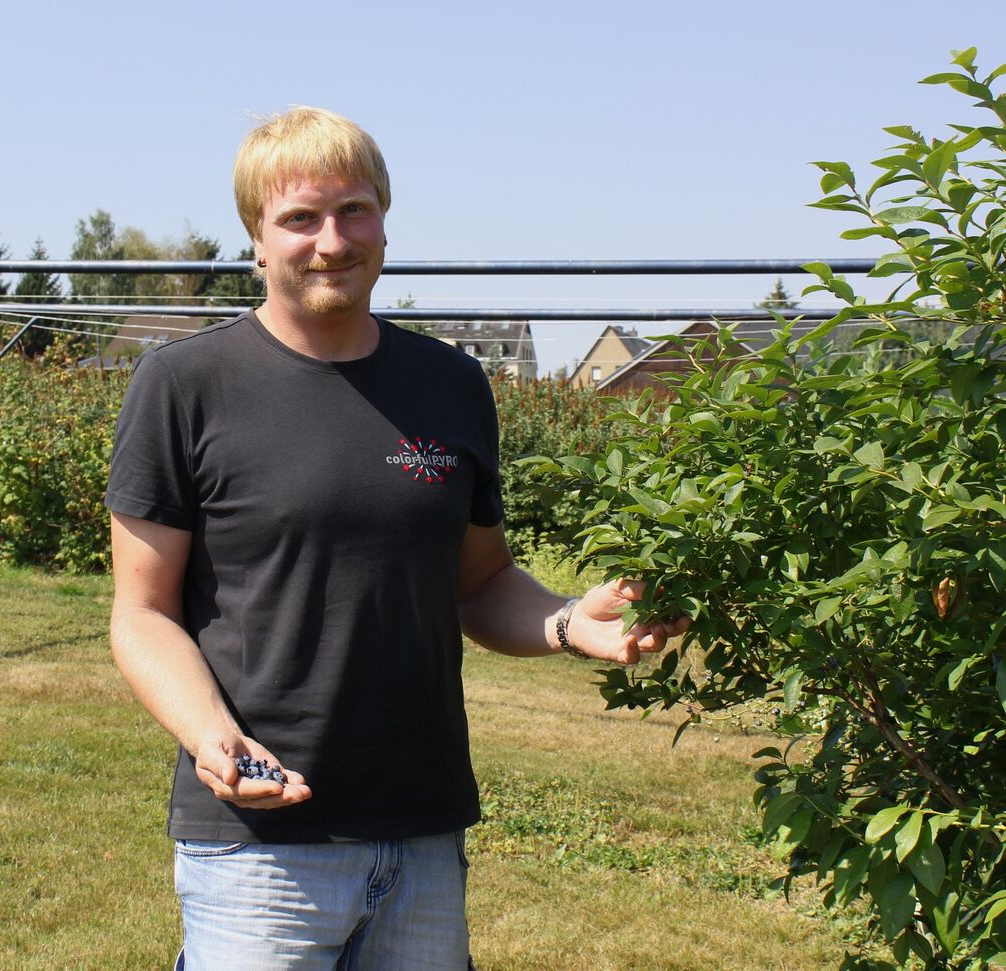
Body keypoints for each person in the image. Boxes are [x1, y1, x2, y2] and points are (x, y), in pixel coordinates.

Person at [106, 106, 687, 971]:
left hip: (421, 836)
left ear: (384, 219)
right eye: (299, 218)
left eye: (354, 210)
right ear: (256, 240)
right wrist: (211, 736)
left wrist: (572, 621)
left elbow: (479, 581)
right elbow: (142, 613)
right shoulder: (186, 384)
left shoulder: (449, 384)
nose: (331, 241)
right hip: (257, 842)